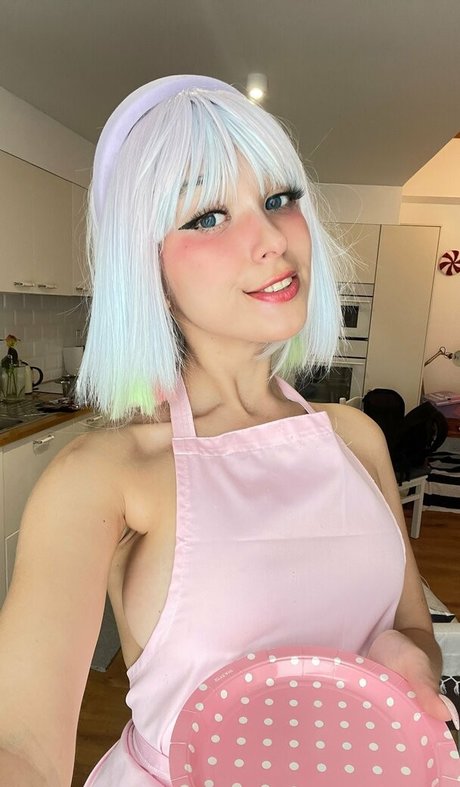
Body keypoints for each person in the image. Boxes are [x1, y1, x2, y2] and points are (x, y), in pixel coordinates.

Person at [0, 74, 457, 787]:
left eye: (278, 200)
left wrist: (409, 660)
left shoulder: (355, 437)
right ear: (146, 261)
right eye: (208, 216)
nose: (272, 238)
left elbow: (415, 629)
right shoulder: (104, 474)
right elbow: (22, 744)